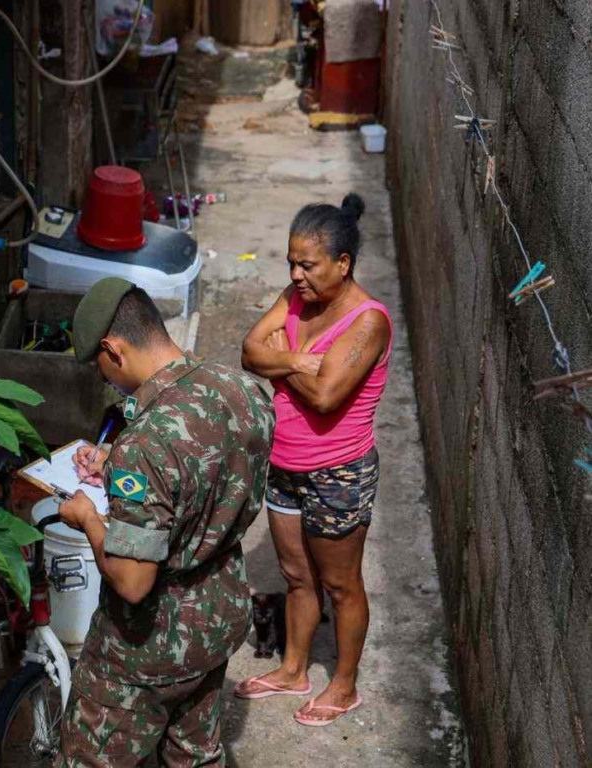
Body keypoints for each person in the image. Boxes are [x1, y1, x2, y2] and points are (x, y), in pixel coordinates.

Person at [56, 277, 275, 766]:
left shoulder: (146, 445)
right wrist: (113, 461)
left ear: (114, 350)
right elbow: (210, 469)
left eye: (100, 369)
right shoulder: (241, 391)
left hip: (149, 647)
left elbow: (133, 583)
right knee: (194, 755)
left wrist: (89, 518)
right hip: (218, 616)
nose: (106, 380)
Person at [234, 193, 392, 727]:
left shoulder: (369, 323)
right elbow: (247, 351)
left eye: (308, 264)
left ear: (342, 264)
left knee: (342, 585)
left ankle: (344, 686)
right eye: (291, 264)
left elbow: (327, 398)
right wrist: (299, 359)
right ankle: (294, 670)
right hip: (285, 465)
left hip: (338, 472)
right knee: (297, 576)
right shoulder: (296, 298)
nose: (296, 275)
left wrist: (278, 362)